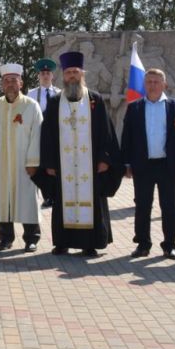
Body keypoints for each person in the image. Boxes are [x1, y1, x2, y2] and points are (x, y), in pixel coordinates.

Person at [38, 51, 124, 257]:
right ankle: (62, 242)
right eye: (68, 73)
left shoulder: (94, 99)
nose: (72, 76)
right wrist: (49, 162)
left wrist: (105, 158)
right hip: (63, 163)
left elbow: (106, 132)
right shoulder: (55, 101)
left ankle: (90, 243)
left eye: (75, 72)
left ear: (82, 74)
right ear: (63, 76)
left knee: (92, 201)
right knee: (62, 201)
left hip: (90, 164)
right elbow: (47, 134)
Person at [121, 68, 175, 259]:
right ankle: (143, 244)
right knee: (143, 206)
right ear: (144, 84)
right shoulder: (134, 107)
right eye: (149, 82)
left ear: (164, 84)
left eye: (156, 82)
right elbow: (127, 137)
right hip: (142, 166)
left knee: (169, 207)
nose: (152, 85)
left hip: (168, 166)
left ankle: (170, 245)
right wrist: (126, 164)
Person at [0, 63, 43, 252]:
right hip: (1, 163)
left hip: (24, 164)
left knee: (28, 200)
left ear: (21, 82)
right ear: (2, 84)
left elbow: (37, 135)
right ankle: (5, 238)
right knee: (4, 201)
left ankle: (31, 238)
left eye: (14, 80)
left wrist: (33, 162)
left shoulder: (31, 106)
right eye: (6, 81)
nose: (10, 84)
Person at [27, 57, 60, 208]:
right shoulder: (31, 94)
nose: (45, 76)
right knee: (40, 167)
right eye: (43, 73)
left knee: (52, 165)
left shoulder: (60, 93)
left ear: (52, 76)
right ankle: (46, 195)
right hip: (38, 135)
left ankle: (54, 195)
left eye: (48, 73)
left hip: (54, 136)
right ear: (39, 76)